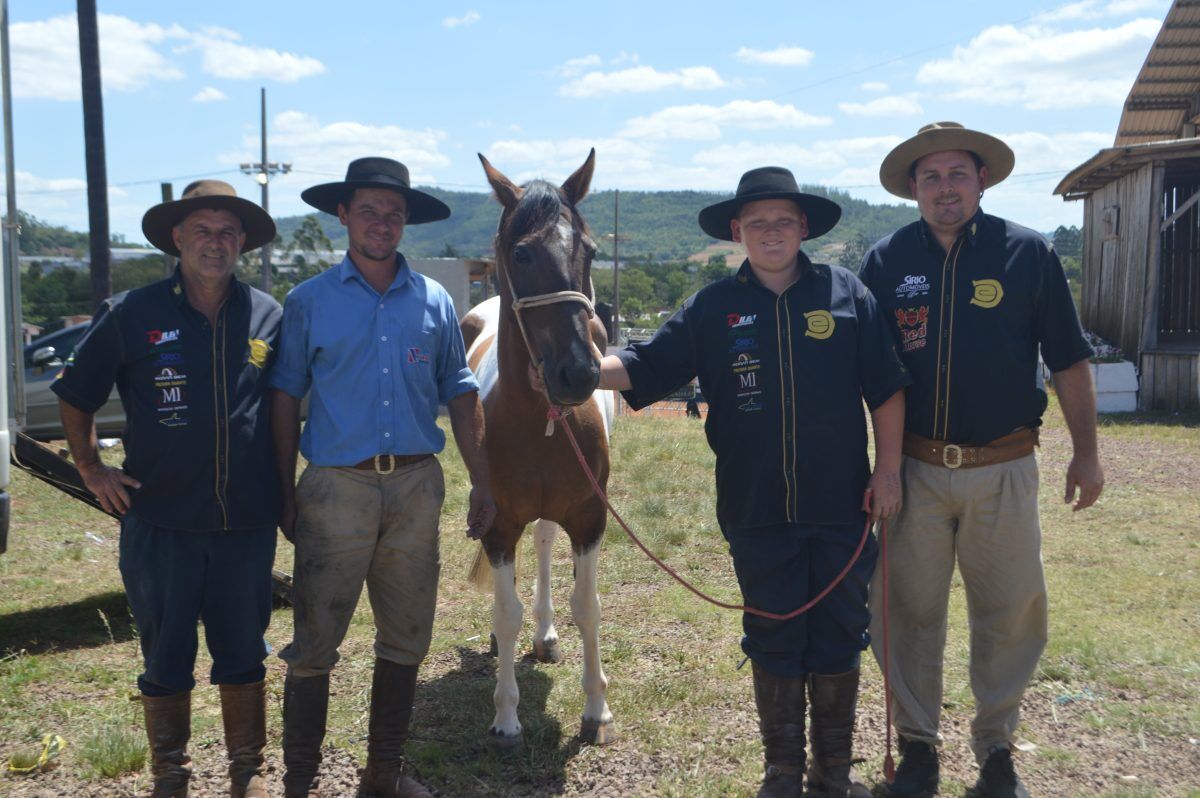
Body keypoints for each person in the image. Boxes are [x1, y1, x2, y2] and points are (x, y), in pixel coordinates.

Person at [581, 167, 910, 798]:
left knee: (841, 633)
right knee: (775, 632)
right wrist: (580, 375)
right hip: (755, 505)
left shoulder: (848, 295)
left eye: (783, 220)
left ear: (804, 226)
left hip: (844, 502)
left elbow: (887, 386)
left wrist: (888, 470)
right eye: (757, 222)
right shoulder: (712, 308)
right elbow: (647, 363)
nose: (771, 232)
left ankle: (832, 777)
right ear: (737, 232)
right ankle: (783, 775)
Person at [860, 122, 1105, 798]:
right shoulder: (883, 262)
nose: (945, 188)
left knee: (1008, 612)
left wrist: (1087, 455)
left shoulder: (1027, 254)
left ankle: (996, 753)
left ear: (983, 180)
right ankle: (917, 752)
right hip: (913, 470)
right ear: (912, 187)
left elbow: (1069, 359)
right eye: (930, 177)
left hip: (1004, 468)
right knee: (906, 614)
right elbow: (860, 369)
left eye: (957, 174)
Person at [270, 157, 496, 798]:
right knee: (315, 641)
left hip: (417, 488)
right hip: (336, 488)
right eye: (367, 209)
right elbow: (286, 394)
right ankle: (299, 782)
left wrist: (483, 479)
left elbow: (458, 388)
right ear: (342, 215)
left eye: (393, 213)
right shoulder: (309, 301)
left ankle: (384, 774)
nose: (381, 222)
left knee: (406, 636)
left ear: (406, 223)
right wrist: (285, 487)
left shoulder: (433, 301)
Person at [53, 180, 282, 798]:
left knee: (244, 653)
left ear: (242, 243)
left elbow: (284, 407)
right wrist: (90, 468)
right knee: (165, 657)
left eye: (228, 232)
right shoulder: (131, 312)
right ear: (177, 239)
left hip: (245, 523)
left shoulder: (267, 314)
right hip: (161, 523)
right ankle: (171, 775)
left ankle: (247, 772)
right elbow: (75, 395)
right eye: (203, 230)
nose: (216, 242)